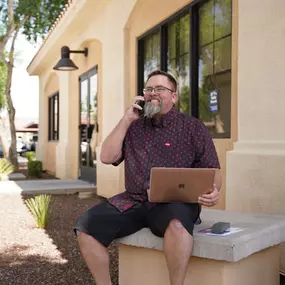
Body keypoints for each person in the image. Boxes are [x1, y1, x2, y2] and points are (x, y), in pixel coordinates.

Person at [74, 70, 222, 285]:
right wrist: (126, 120)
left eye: (160, 89)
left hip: (174, 201)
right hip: (133, 200)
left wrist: (214, 191)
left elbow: (213, 172)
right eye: (149, 89)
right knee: (85, 227)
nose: (153, 93)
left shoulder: (193, 128)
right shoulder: (133, 126)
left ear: (173, 96)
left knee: (178, 225)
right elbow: (106, 157)